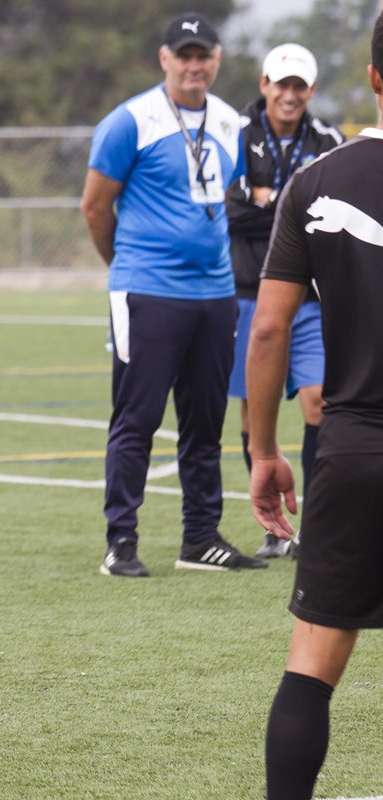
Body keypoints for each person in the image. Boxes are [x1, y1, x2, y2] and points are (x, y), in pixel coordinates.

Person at [248, 13, 383, 798]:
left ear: (371, 77)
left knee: (311, 670)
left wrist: (265, 451)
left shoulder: (318, 179)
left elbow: (268, 329)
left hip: (353, 450)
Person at [80, 12, 262, 577]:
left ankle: (201, 538)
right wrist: (127, 270)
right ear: (164, 59)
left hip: (214, 294)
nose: (193, 65)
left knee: (205, 422)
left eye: (203, 54)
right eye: (183, 54)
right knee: (136, 420)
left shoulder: (232, 123)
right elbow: (93, 205)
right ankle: (122, 543)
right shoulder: (130, 121)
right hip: (147, 290)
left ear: (217, 59)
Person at [226, 43, 343, 559]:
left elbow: (334, 213)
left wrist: (268, 203)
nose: (289, 95)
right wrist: (293, 211)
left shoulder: (330, 141)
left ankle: (313, 524)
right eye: (282, 85)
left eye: (300, 86)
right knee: (257, 411)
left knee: (320, 401)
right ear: (264, 86)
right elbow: (229, 214)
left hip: (314, 299)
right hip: (253, 294)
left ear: (311, 91)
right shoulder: (236, 136)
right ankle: (273, 527)